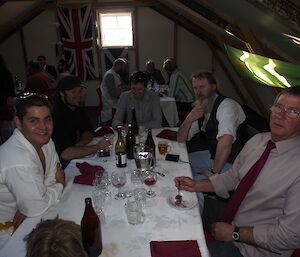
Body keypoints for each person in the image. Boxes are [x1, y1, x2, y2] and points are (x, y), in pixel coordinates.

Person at [175, 86, 300, 257]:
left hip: (252, 249)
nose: (281, 114)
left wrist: (235, 233)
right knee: (183, 203)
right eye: (278, 106)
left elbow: (289, 236)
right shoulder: (258, 140)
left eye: (293, 111)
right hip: (234, 213)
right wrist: (196, 185)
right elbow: (233, 177)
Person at [0, 93, 65, 248]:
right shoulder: (18, 160)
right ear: (19, 123)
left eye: (47, 119)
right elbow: (37, 207)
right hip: (7, 230)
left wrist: (35, 200)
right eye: (33, 121)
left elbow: (50, 176)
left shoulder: (46, 143)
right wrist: (60, 185)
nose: (43, 127)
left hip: (31, 218)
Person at [177, 71, 245, 178]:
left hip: (233, 162)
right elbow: (180, 138)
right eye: (195, 88)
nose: (198, 92)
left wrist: (213, 173)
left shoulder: (227, 106)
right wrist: (189, 119)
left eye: (202, 87)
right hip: (213, 156)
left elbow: (225, 143)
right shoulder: (202, 107)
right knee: (180, 163)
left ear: (213, 87)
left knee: (187, 182)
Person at [52, 75, 110, 168]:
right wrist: (97, 147)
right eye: (73, 92)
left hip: (73, 151)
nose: (78, 95)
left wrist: (79, 146)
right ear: (62, 94)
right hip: (58, 163)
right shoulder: (56, 116)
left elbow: (88, 130)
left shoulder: (77, 106)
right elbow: (65, 154)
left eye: (80, 91)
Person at [100, 58, 129, 125]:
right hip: (111, 104)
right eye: (123, 68)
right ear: (118, 66)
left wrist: (127, 87)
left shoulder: (116, 74)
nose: (124, 70)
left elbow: (122, 86)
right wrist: (126, 90)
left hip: (115, 101)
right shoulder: (109, 75)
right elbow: (114, 93)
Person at [0, 55, 15, 142]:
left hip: (4, 105)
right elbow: (11, 92)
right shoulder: (6, 73)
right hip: (5, 104)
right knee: (8, 132)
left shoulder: (4, 73)